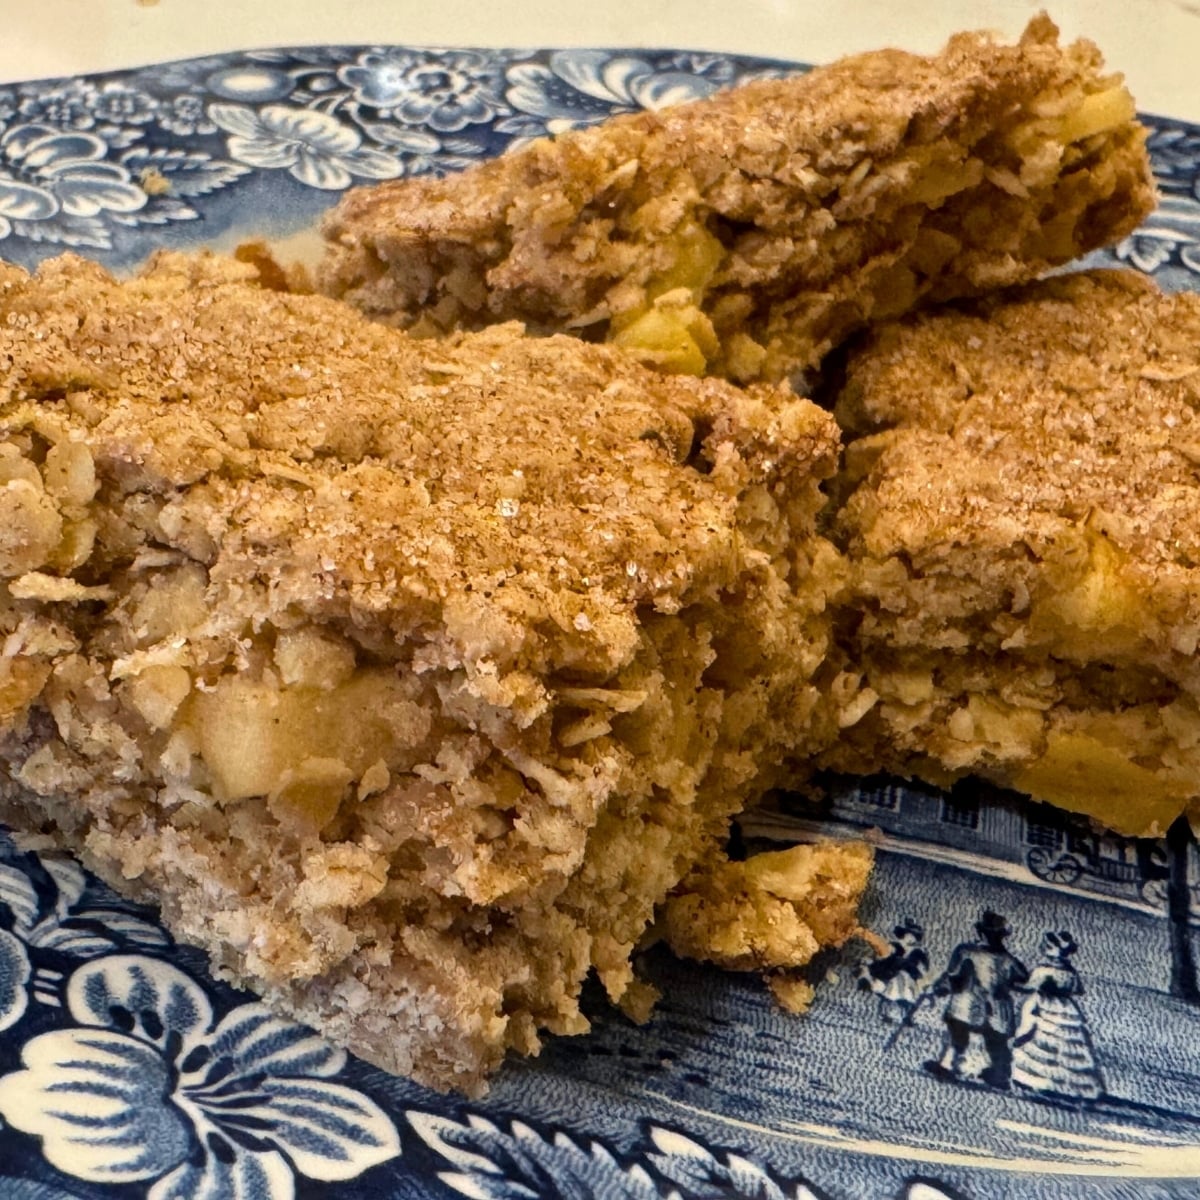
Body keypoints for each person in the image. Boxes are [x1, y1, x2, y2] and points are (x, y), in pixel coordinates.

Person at [925, 910, 1029, 1089]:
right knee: (996, 1040)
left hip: (968, 1004)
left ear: (981, 933)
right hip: (997, 1007)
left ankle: (949, 1065)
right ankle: (999, 1073)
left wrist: (940, 987)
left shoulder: (966, 952)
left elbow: (954, 975)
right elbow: (1022, 976)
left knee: (959, 1035)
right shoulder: (1007, 959)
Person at [1011, 930, 1104, 1102]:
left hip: (1044, 1004)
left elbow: (1028, 987)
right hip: (1066, 1008)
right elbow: (1077, 990)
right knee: (1065, 1043)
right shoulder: (1070, 972)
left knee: (1041, 1039)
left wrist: (1011, 983)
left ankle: (1040, 1081)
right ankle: (1065, 1086)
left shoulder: (1043, 970)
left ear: (1050, 949)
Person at [859, 917, 929, 1023]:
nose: (911, 940)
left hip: (895, 977)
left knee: (902, 996)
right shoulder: (895, 949)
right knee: (899, 995)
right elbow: (890, 964)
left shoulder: (910, 951)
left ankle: (902, 1015)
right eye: (910, 938)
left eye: (913, 939)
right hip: (894, 978)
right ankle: (897, 1015)